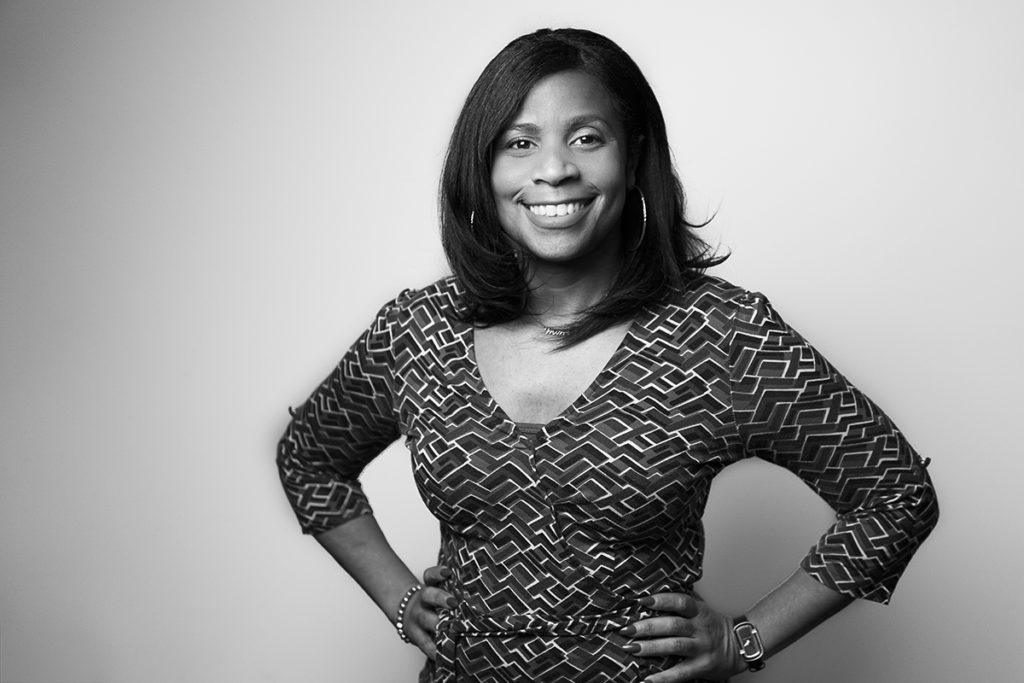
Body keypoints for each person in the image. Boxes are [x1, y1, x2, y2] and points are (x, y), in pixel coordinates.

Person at [277, 28, 938, 683]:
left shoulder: (718, 335)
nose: (554, 168)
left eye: (587, 137)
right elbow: (309, 457)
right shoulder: (420, 330)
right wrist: (399, 600)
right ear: (483, 168)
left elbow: (896, 493)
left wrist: (744, 642)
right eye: (519, 142)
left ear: (633, 153)